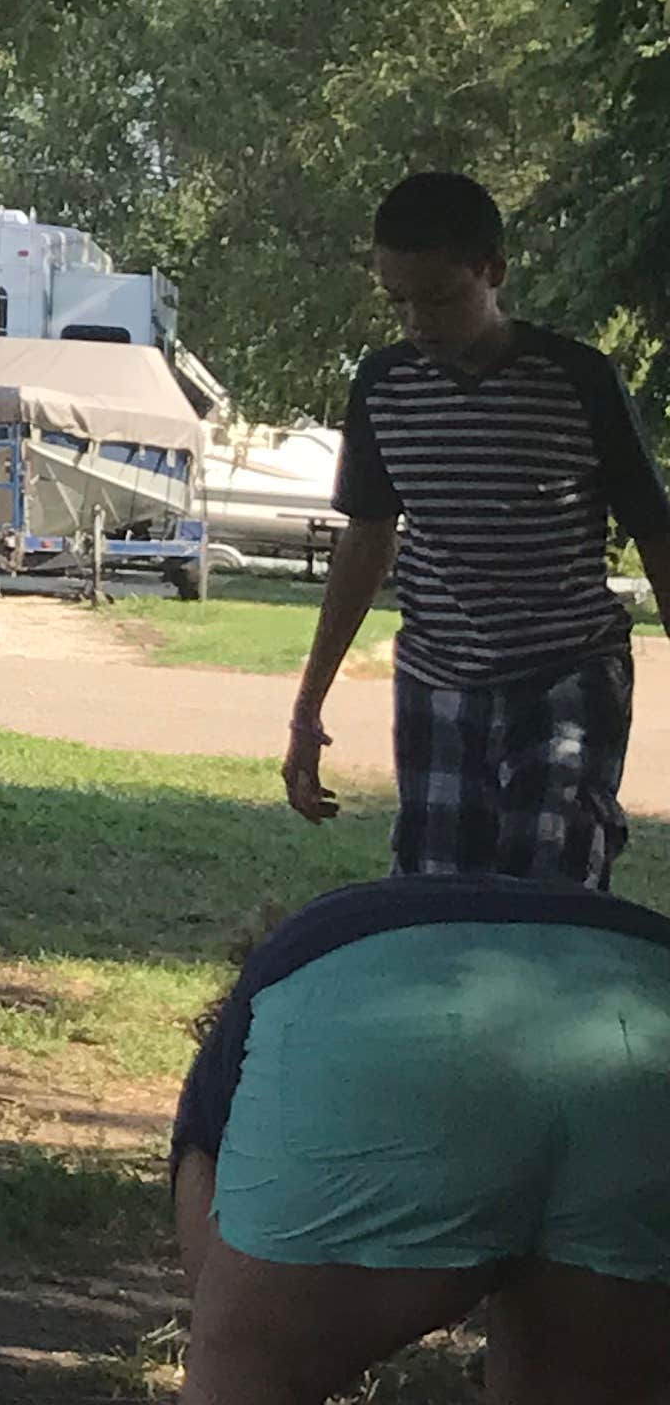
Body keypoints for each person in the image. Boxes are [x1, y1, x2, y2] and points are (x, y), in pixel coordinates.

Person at [286, 172, 670, 886]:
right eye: (399, 302)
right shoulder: (384, 385)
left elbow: (656, 534)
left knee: (552, 876)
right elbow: (367, 541)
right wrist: (308, 709)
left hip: (567, 669)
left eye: (438, 298)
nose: (418, 324)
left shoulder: (579, 381)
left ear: (492, 272)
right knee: (437, 886)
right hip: (440, 675)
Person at [173, 873, 670, 1403]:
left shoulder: (260, 1018)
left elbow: (217, 1284)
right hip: (645, 1011)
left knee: (249, 1375)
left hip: (377, 1022)